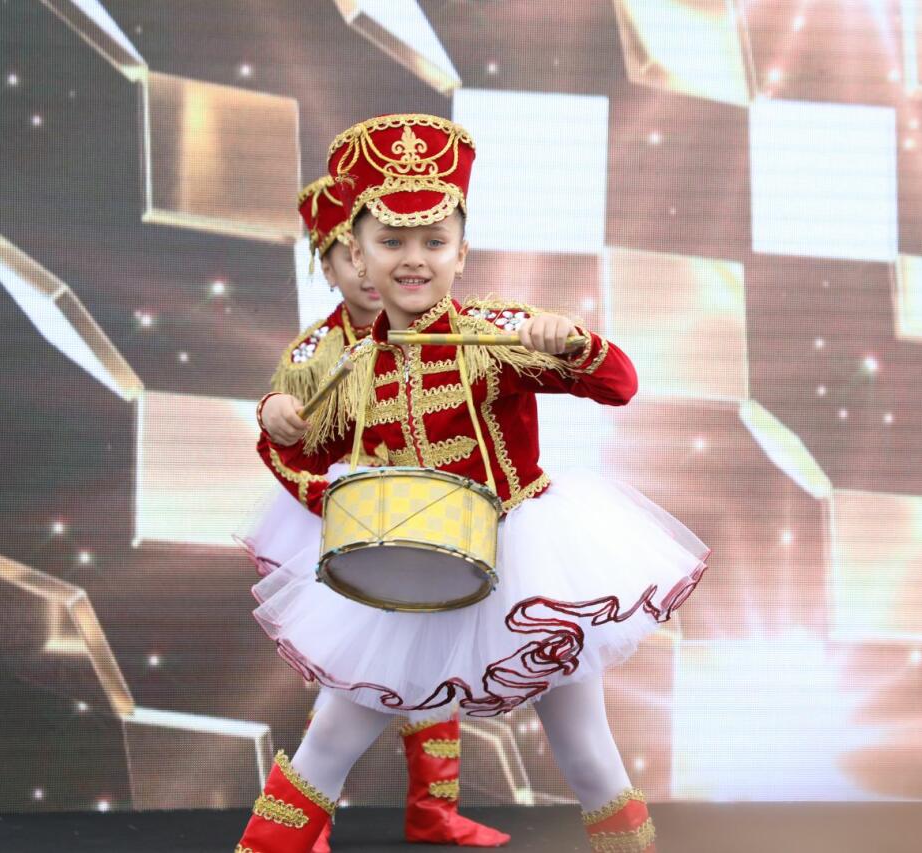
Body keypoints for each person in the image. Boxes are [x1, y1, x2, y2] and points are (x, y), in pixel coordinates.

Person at [236, 114, 708, 853]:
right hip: (407, 570)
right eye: (391, 242)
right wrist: (276, 416)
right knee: (327, 741)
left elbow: (619, 384)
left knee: (588, 754)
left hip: (527, 571)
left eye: (434, 241)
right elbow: (297, 446)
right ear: (357, 255)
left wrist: (574, 343)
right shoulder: (350, 367)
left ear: (462, 251)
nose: (413, 259)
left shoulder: (497, 332)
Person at [241, 175, 510, 851]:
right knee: (353, 676)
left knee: (433, 667)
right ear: (336, 264)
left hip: (434, 523)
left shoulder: (452, 330)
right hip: (348, 525)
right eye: (352, 255)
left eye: (422, 243)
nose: (369, 273)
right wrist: (299, 449)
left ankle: (434, 809)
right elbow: (285, 446)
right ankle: (311, 823)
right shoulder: (316, 353)